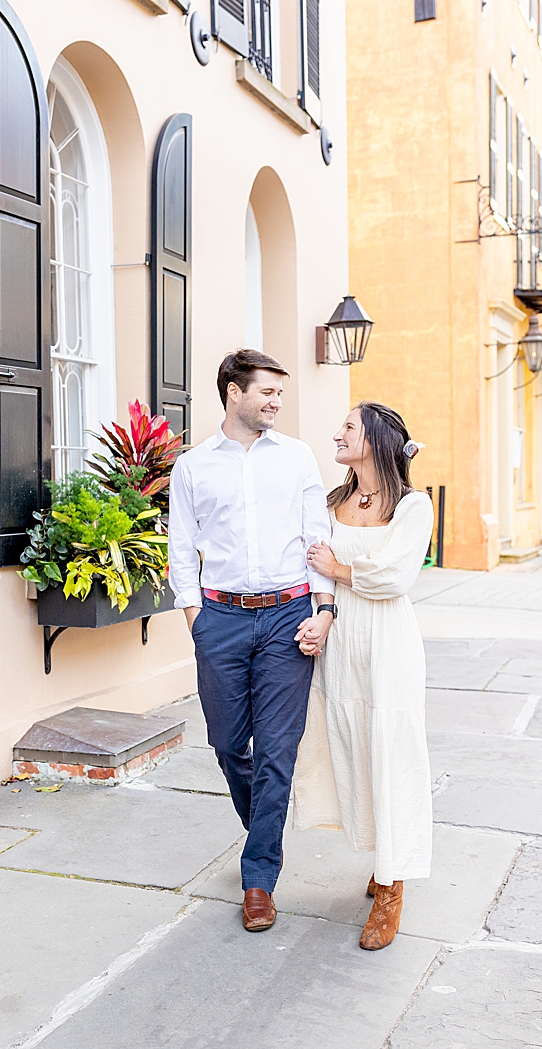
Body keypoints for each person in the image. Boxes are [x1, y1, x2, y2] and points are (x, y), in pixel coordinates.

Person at [168, 349, 336, 933]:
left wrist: (324, 610)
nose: (275, 402)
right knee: (227, 742)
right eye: (266, 392)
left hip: (288, 617)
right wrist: (195, 617)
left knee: (277, 751)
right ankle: (264, 822)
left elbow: (318, 535)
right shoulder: (192, 467)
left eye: (279, 394)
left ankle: (259, 877)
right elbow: (180, 546)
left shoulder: (297, 458)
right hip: (220, 619)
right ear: (233, 393)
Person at [293, 402, 434, 951]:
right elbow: (310, 564)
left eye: (348, 427)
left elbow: (397, 577)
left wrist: (340, 570)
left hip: (388, 643)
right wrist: (325, 598)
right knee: (352, 748)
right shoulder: (334, 501)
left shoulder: (412, 505)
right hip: (340, 641)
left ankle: (394, 886)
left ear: (374, 440)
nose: (338, 434)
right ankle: (381, 856)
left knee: (391, 753)